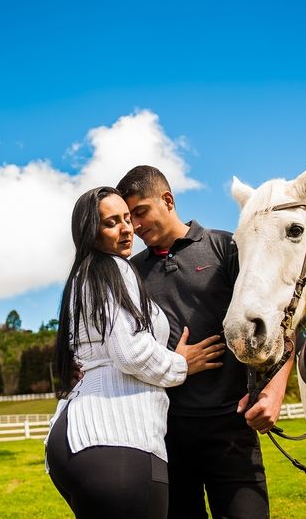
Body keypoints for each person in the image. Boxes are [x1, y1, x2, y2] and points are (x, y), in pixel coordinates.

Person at [116, 166, 294, 519]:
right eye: (127, 217)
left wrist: (274, 391)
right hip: (165, 435)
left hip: (231, 429)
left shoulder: (225, 247)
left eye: (140, 212)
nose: (134, 226)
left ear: (167, 200)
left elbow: (283, 323)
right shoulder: (129, 273)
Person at [45, 186, 226, 519]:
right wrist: (181, 365)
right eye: (111, 222)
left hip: (72, 440)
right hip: (118, 439)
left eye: (127, 219)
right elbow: (131, 352)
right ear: (91, 232)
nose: (127, 228)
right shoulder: (114, 268)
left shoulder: (83, 277)